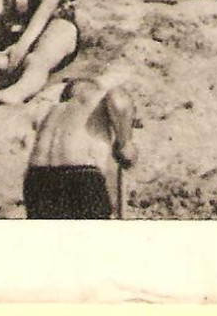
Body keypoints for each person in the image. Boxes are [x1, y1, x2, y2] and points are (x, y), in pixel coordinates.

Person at [24, 76, 137, 219]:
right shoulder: (98, 95)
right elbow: (118, 101)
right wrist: (125, 142)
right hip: (79, 173)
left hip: (37, 177)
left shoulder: (53, 110)